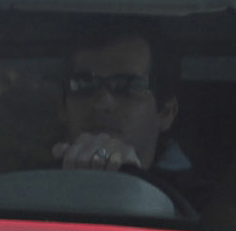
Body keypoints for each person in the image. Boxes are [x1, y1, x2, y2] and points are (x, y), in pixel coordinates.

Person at [54, 28, 192, 182]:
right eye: (84, 84)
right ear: (63, 106)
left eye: (127, 86)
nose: (102, 103)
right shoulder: (33, 189)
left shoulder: (200, 200)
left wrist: (133, 181)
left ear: (166, 112)